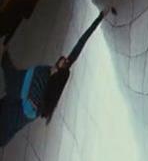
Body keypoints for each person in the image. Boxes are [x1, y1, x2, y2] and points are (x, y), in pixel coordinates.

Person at [1, 8, 112, 146]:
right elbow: (80, 43)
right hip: (25, 106)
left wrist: (5, 60)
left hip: (26, 106)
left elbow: (19, 84)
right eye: (65, 60)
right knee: (7, 117)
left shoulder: (46, 78)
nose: (65, 60)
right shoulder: (48, 73)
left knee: (7, 120)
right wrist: (100, 16)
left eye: (65, 63)